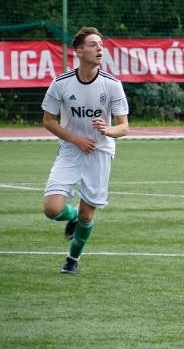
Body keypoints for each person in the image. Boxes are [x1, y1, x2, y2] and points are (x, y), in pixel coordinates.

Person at [42, 27, 130, 274]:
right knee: (52, 209)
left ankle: (73, 259)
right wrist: (76, 139)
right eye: (93, 44)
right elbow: (48, 121)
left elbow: (123, 127)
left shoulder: (112, 85)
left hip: (100, 152)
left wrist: (108, 131)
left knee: (86, 214)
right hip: (70, 151)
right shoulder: (61, 83)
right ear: (79, 51)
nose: (99, 48)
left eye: (100, 44)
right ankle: (69, 217)